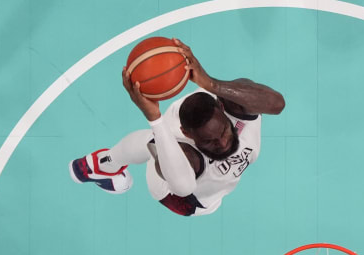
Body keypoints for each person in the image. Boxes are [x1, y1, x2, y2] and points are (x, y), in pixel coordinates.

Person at [70, 38, 285, 216]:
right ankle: (100, 165)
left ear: (222, 109)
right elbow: (183, 187)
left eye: (223, 131)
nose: (222, 142)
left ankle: (106, 162)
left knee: (163, 139)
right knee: (151, 142)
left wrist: (211, 84)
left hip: (214, 188)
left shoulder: (236, 104)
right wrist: (154, 118)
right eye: (210, 141)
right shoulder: (189, 155)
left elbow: (277, 104)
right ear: (187, 134)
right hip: (185, 200)